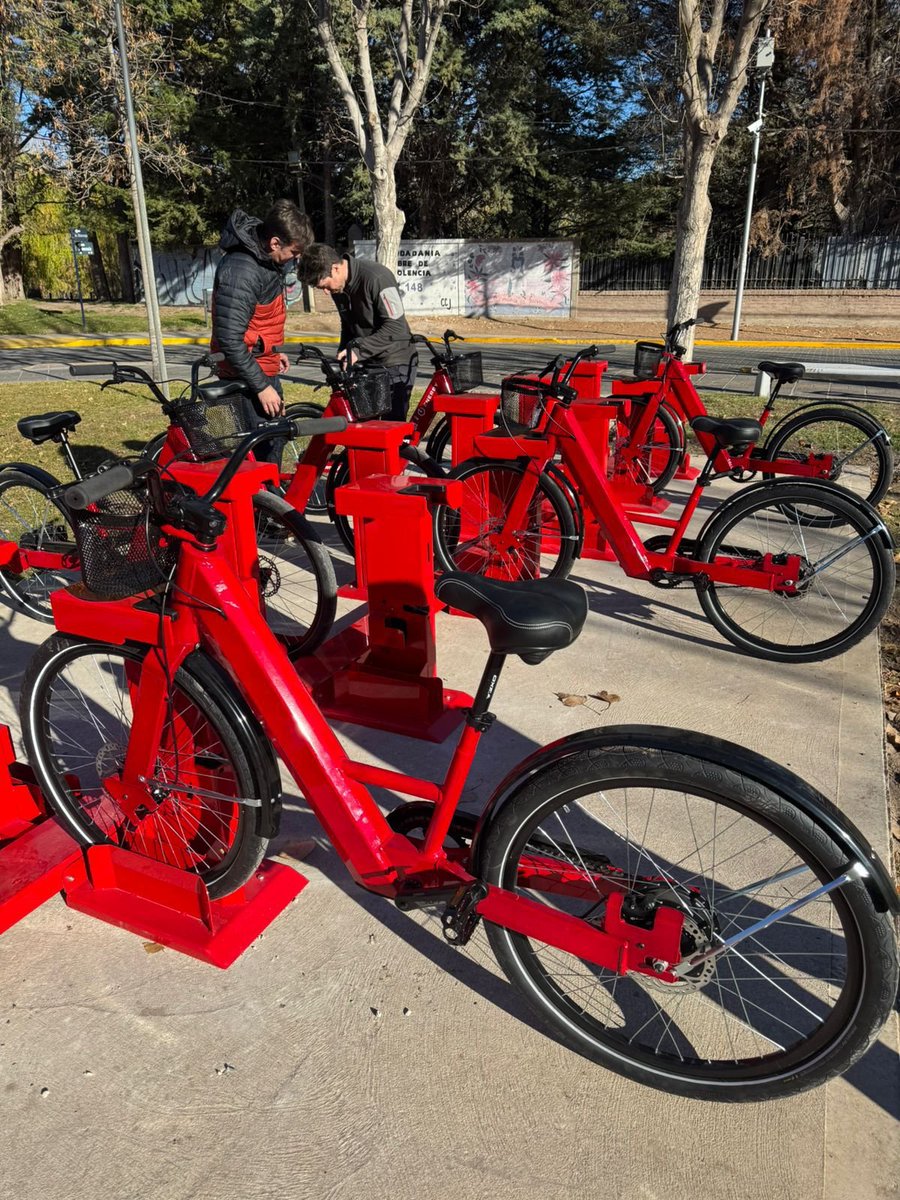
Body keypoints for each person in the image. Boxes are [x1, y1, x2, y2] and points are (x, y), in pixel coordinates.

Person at [210, 199, 314, 461]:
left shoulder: (264, 261)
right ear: (275, 243)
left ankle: (266, 500)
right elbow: (230, 338)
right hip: (246, 383)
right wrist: (261, 387)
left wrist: (271, 351)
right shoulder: (242, 269)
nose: (296, 258)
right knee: (261, 460)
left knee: (271, 449)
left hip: (260, 370)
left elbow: (257, 323)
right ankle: (264, 502)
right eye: (294, 251)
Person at [299, 243, 417, 421]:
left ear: (336, 268)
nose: (325, 292)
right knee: (363, 430)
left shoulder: (377, 277)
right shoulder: (338, 287)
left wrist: (357, 351)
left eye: (324, 285)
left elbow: (395, 327)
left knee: (388, 432)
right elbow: (347, 324)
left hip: (395, 361)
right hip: (366, 362)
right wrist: (344, 352)